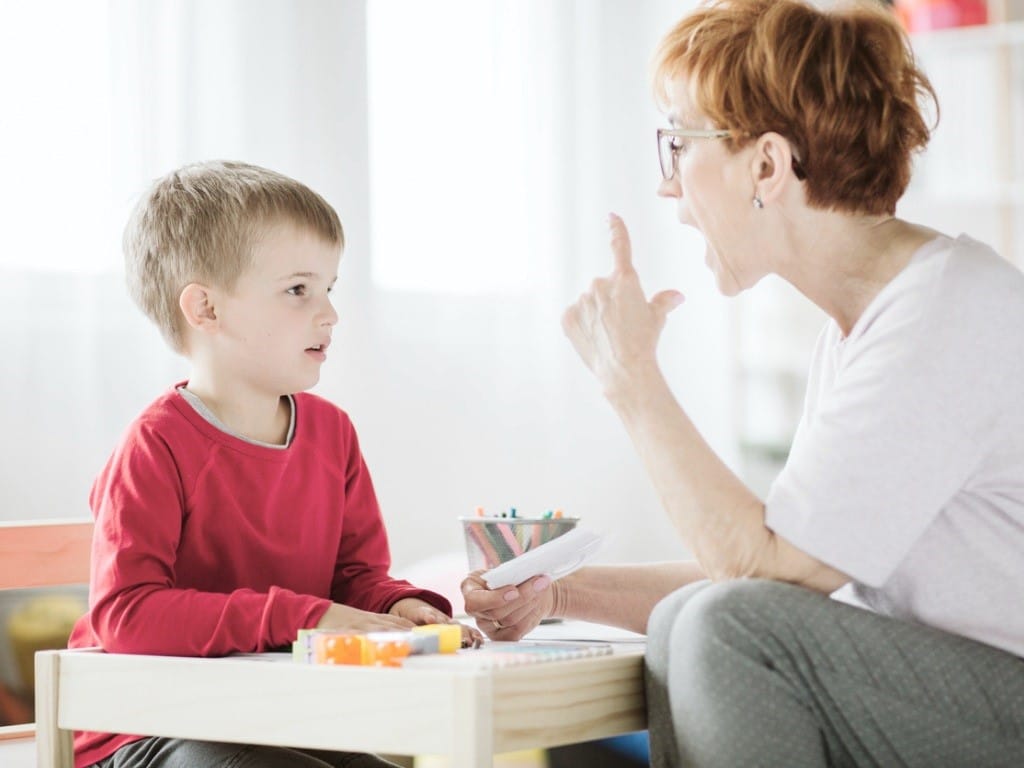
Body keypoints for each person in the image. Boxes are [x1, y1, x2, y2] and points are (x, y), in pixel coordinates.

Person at [462, 1, 1024, 765]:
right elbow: (783, 571)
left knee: (723, 622)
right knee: (690, 615)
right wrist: (559, 595)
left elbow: (760, 575)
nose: (668, 188)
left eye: (678, 145)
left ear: (766, 165)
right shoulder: (873, 324)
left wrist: (631, 377)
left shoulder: (943, 315)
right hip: (961, 695)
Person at [70, 160, 481, 768]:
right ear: (205, 309)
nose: (330, 314)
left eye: (330, 289)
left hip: (276, 716)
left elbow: (354, 578)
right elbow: (127, 616)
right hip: (144, 729)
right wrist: (305, 616)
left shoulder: (331, 433)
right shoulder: (155, 445)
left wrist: (396, 605)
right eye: (298, 290)